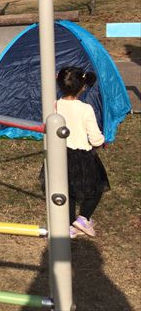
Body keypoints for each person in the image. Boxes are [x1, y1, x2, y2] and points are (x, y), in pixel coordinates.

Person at [55, 67, 110, 239]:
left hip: (61, 155)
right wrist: (102, 140)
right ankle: (83, 218)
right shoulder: (86, 109)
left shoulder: (55, 105)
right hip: (83, 156)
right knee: (96, 189)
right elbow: (95, 139)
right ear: (83, 87)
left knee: (68, 190)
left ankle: (70, 224)